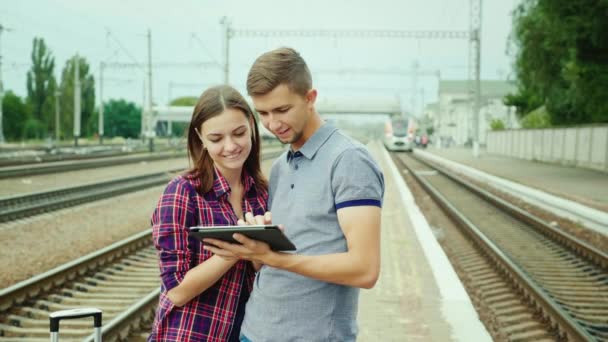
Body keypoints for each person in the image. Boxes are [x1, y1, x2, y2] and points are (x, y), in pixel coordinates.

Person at [205, 47, 385, 342]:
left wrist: (274, 259)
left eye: (282, 110)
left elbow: (365, 270)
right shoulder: (279, 168)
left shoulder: (349, 160)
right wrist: (255, 246)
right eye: (262, 113)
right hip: (253, 331)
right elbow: (271, 261)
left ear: (310, 98)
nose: (273, 124)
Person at [148, 85, 268, 342]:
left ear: (251, 126)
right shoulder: (182, 193)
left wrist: (262, 252)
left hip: (248, 333)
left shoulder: (261, 194)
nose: (230, 146)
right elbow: (177, 291)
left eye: (239, 133)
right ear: (200, 138)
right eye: (216, 138)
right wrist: (237, 249)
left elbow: (262, 275)